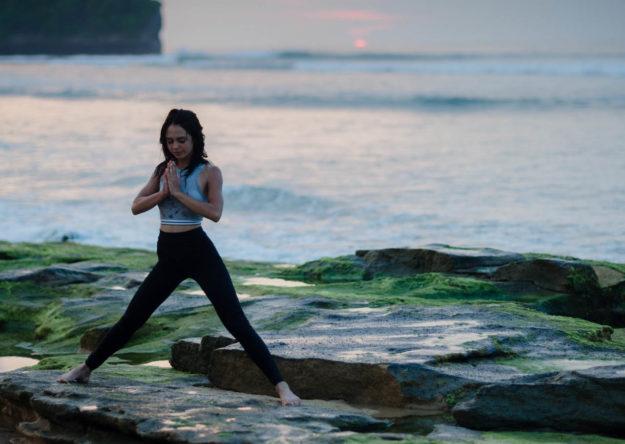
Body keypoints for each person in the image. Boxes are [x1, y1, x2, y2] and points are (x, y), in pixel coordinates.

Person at [58, 108, 301, 407]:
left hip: (199, 252)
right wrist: (163, 193)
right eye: (170, 141)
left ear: (195, 138)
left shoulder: (210, 172)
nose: (175, 146)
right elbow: (136, 206)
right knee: (133, 317)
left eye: (181, 140)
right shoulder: (163, 169)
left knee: (235, 321)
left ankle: (281, 387)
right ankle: (86, 369)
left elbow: (215, 213)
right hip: (169, 254)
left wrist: (179, 194)